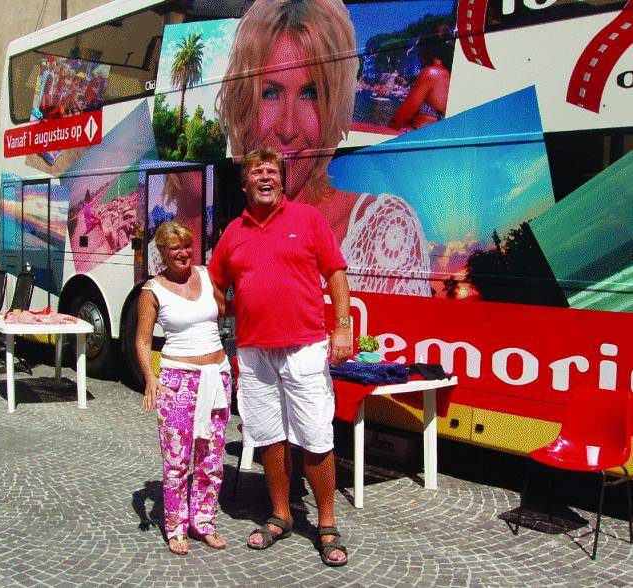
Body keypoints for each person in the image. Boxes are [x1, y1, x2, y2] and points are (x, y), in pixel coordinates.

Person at [216, 0, 431, 296]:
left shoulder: (384, 228)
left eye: (310, 93)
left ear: (334, 106)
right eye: (270, 93)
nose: (288, 129)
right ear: (242, 105)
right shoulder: (235, 233)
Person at [209, 147, 353, 567]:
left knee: (316, 437)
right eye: (258, 172)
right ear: (246, 183)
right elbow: (216, 283)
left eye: (273, 171)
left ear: (282, 181)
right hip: (254, 352)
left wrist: (342, 326)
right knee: (268, 436)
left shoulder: (307, 219)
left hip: (304, 347)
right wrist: (227, 308)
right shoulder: (233, 232)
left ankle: (326, 523)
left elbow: (336, 272)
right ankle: (281, 514)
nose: (266, 178)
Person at [135, 221, 231, 556]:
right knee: (177, 460)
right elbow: (143, 341)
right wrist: (151, 377)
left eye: (188, 246)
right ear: (161, 251)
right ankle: (175, 526)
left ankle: (204, 522)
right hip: (178, 380)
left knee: (212, 457)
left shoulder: (205, 275)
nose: (184, 253)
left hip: (217, 375)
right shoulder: (152, 290)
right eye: (175, 248)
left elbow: (224, 309)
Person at [389, 40, 452, 131]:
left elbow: (400, 118)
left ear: (427, 49)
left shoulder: (432, 73)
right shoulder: (448, 73)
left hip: (417, 134)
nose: (419, 55)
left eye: (420, 50)